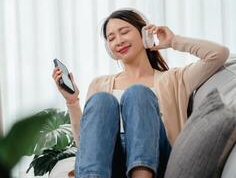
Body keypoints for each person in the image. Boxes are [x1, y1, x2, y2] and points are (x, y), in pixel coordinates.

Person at [52, 9, 230, 178]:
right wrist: (72, 101)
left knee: (138, 94)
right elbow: (87, 145)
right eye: (111, 38)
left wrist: (173, 41)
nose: (118, 41)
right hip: (109, 165)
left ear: (144, 34)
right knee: (101, 101)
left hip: (156, 160)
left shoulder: (174, 79)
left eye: (124, 32)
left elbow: (218, 54)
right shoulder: (99, 84)